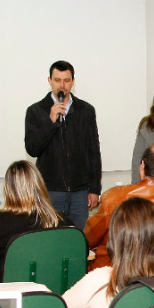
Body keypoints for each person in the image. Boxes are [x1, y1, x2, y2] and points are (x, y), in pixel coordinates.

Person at [0, 161, 74, 282]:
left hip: (11, 297)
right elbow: (79, 253)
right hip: (52, 296)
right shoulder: (63, 221)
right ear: (40, 185)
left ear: (8, 190)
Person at [24, 59, 102, 230]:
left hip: (80, 193)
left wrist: (95, 188)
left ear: (73, 82)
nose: (62, 85)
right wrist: (50, 121)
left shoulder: (86, 110)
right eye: (57, 80)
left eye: (66, 81)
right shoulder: (36, 111)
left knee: (78, 242)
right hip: (51, 191)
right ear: (49, 81)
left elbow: (93, 152)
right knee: (52, 242)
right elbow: (32, 148)